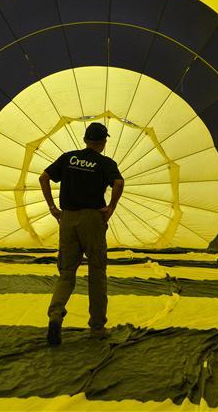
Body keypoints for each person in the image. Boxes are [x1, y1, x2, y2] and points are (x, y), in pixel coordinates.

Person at [39, 121, 124, 346]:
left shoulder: (68, 158)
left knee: (66, 273)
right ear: (103, 142)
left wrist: (52, 207)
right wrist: (111, 207)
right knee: (97, 273)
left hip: (67, 219)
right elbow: (118, 183)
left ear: (85, 140)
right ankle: (97, 328)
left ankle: (55, 315)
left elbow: (44, 177)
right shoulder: (105, 163)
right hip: (92, 219)